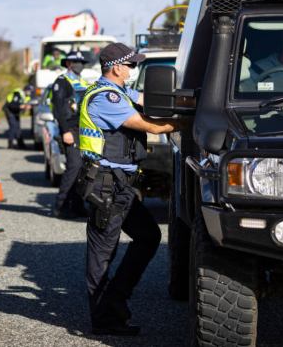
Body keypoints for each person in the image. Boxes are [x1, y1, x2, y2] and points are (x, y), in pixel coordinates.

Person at [78, 42, 184, 335]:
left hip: (120, 185)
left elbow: (147, 98)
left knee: (149, 236)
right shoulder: (105, 97)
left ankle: (115, 300)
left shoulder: (120, 93)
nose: (132, 70)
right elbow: (147, 125)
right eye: (131, 65)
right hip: (106, 185)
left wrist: (189, 102)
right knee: (103, 253)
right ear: (116, 67)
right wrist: (181, 124)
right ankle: (104, 318)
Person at [51, 51, 90, 219]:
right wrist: (65, 130)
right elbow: (58, 109)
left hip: (82, 129)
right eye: (75, 61)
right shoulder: (62, 82)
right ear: (68, 63)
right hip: (70, 130)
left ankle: (77, 206)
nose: (79, 64)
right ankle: (60, 207)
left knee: (82, 169)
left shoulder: (82, 82)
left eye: (81, 61)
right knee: (73, 167)